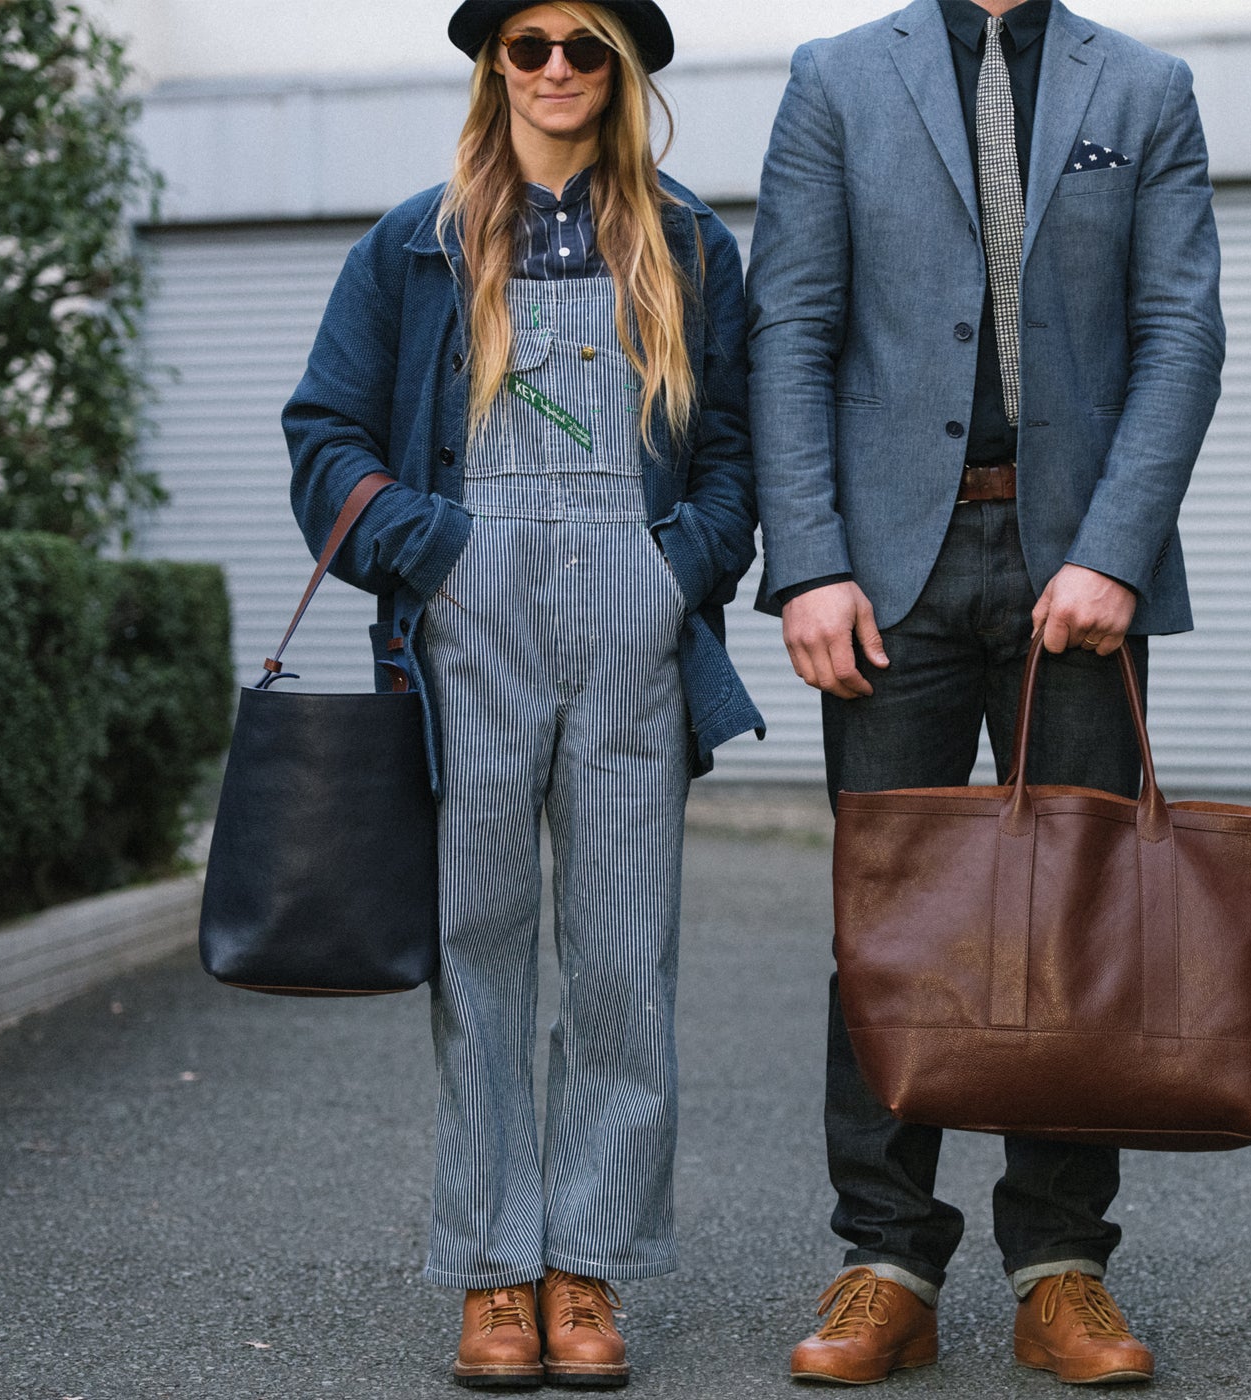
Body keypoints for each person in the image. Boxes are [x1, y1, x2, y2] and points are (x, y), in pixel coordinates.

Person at [282, 1, 762, 1386]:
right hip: (467, 627)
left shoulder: (686, 246)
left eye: (585, 46)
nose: (556, 68)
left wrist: (676, 571)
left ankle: (585, 1266)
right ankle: (494, 1270)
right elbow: (323, 432)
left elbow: (733, 453)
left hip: (635, 627)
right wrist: (432, 550)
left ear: (623, 71)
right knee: (479, 948)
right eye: (530, 42)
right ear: (496, 62)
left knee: (625, 963)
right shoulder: (415, 244)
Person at [747, 0, 1223, 1385]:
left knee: (1072, 923)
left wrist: (1114, 551)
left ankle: (1059, 1270)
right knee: (889, 929)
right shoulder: (835, 80)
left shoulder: (1145, 88)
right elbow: (789, 328)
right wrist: (811, 564)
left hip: (1075, 572)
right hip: (886, 575)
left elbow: (1181, 331)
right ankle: (884, 1262)